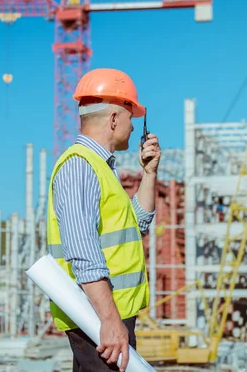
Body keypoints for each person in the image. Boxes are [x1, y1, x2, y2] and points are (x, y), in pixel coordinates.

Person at [46, 68, 161, 372]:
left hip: (105, 315)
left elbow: (138, 226)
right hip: (98, 319)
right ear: (113, 119)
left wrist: (149, 174)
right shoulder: (80, 167)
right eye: (130, 118)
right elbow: (84, 253)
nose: (134, 128)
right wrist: (110, 322)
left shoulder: (100, 168)